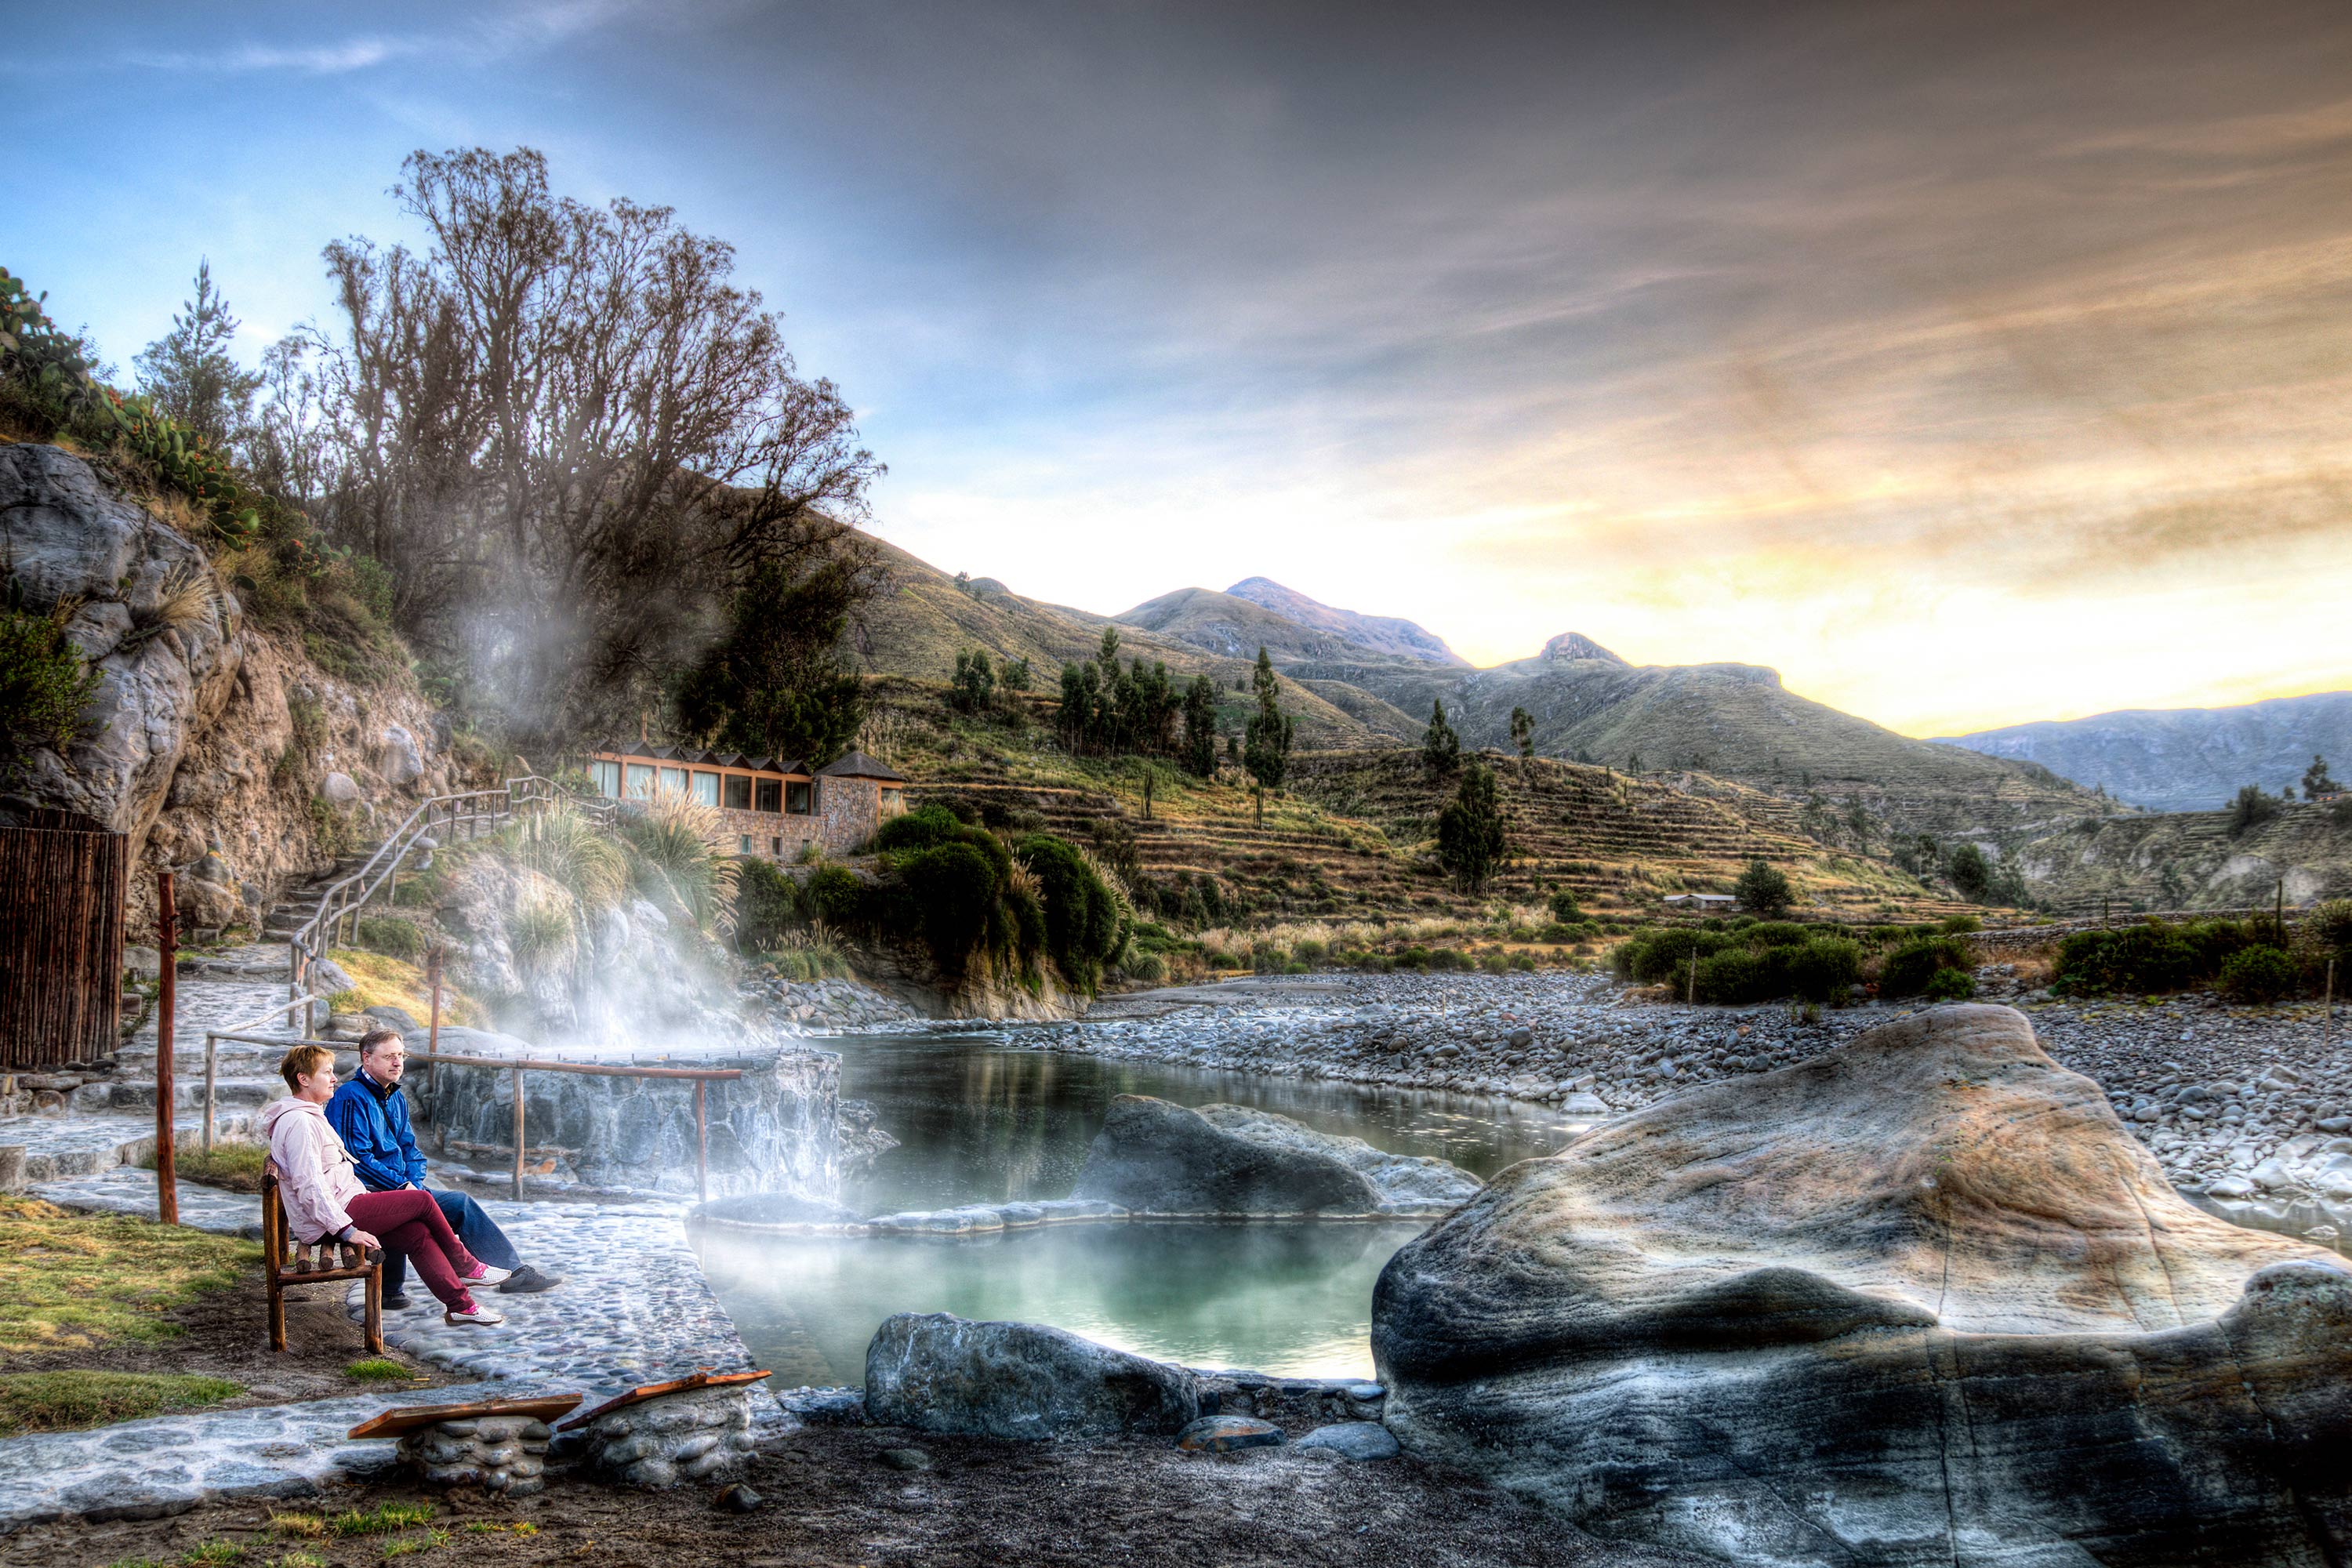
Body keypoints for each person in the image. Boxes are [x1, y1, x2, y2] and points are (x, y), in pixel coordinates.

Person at [260, 1044, 505, 1327]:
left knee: (417, 1233)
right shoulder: (300, 1123)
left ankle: (462, 1306)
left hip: (345, 1204)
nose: (334, 1079)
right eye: (326, 1073)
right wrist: (347, 1230)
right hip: (334, 1216)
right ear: (304, 1079)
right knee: (422, 1201)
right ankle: (467, 1266)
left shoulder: (310, 1115)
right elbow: (309, 1185)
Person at [328, 1028, 564, 1309]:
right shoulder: (351, 1097)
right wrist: (403, 1186)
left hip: (404, 1188)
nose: (398, 1063)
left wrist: (414, 1180)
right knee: (459, 1204)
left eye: (401, 1056)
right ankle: (396, 1290)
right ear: (366, 1059)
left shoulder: (395, 1096)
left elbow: (410, 1148)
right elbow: (358, 1160)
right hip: (369, 1194)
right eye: (389, 1056)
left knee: (454, 1205)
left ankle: (395, 1290)